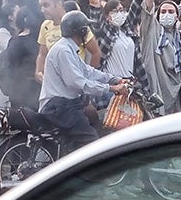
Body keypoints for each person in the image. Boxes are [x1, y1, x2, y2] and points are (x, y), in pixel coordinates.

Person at [38, 10, 128, 153]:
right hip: (59, 107)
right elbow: (77, 83)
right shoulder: (64, 51)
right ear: (80, 31)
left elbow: (88, 70)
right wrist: (111, 88)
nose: (87, 32)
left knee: (94, 119)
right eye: (86, 28)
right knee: (92, 142)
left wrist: (114, 79)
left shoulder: (69, 48)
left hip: (66, 105)